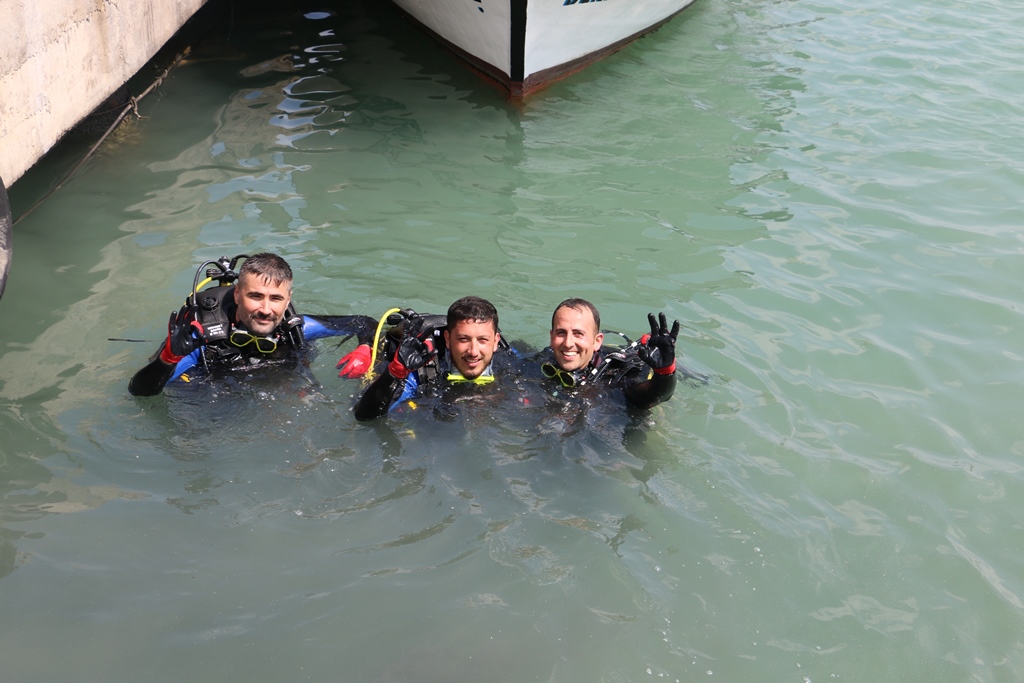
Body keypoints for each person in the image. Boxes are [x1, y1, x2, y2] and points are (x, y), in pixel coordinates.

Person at [128, 252, 378, 396]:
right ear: (237, 295)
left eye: (276, 298)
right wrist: (168, 359)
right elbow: (141, 392)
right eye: (255, 296)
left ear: (288, 299)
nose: (266, 310)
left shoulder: (297, 327)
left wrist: (365, 348)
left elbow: (364, 323)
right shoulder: (201, 337)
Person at [352, 296, 514, 421]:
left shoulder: (509, 363)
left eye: (483, 340)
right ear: (448, 339)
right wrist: (395, 372)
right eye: (463, 339)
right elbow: (365, 417)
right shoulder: (422, 371)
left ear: (495, 341)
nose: (473, 351)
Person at [542, 298, 697, 410]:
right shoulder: (544, 359)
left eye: (578, 334)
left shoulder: (616, 378)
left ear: (597, 341)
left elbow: (652, 396)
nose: (568, 343)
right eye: (561, 333)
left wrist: (665, 372)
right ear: (551, 336)